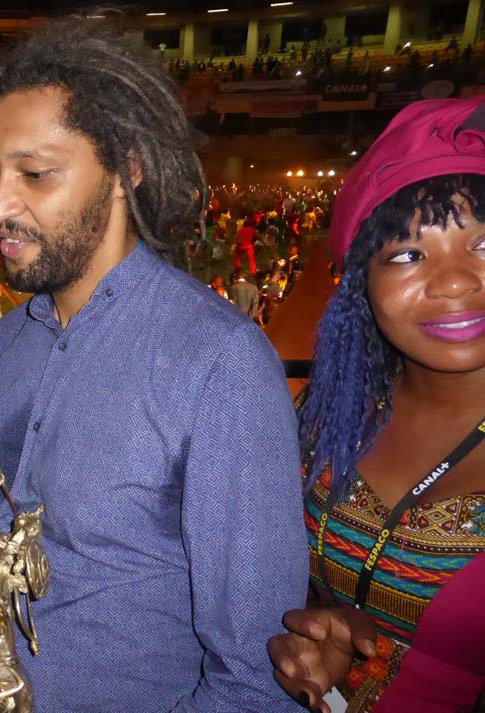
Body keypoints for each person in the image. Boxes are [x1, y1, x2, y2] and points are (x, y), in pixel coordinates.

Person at [0, 19, 307, 712]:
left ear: (126, 169)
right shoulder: (1, 347)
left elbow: (254, 676)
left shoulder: (219, 362)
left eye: (35, 173)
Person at [268, 95, 485, 713]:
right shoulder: (327, 419)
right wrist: (317, 632)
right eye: (407, 254)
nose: (454, 281)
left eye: (484, 245)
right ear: (362, 286)